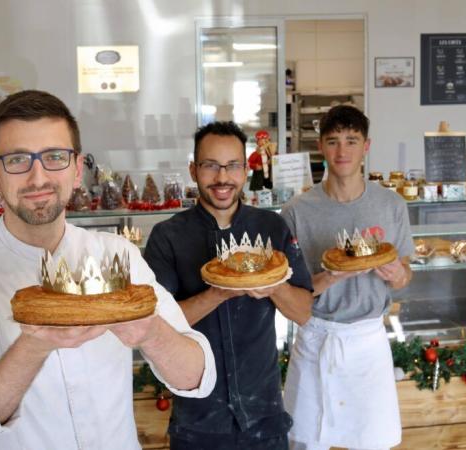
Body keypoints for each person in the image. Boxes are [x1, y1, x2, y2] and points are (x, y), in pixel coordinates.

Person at [0, 90, 217, 450]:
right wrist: (33, 345)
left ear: (77, 169)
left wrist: (151, 333)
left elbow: (197, 377)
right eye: (18, 159)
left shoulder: (118, 256)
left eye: (55, 157)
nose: (38, 177)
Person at [144, 121, 314, 450]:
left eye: (233, 166)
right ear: (193, 170)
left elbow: (305, 311)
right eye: (211, 166)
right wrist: (219, 292)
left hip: (264, 419)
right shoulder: (168, 237)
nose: (223, 178)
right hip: (198, 422)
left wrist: (273, 285)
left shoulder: (271, 227)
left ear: (245, 169)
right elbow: (157, 324)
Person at [280, 105, 415, 450]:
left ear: (366, 147)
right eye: (334, 141)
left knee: (371, 442)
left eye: (352, 141)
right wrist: (329, 277)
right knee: (307, 442)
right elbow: (289, 293)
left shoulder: (391, 205)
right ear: (321, 147)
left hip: (369, 341)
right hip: (316, 338)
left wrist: (398, 273)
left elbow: (404, 278)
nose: (343, 152)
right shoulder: (297, 211)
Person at [248, 129, 276, 198]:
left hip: (269, 173)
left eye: (265, 140)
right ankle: (256, 198)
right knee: (258, 188)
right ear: (257, 142)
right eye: (261, 140)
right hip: (259, 174)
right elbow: (249, 163)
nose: (263, 142)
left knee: (270, 186)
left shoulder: (271, 152)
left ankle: (270, 197)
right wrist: (255, 166)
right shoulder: (256, 154)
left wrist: (273, 159)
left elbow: (277, 160)